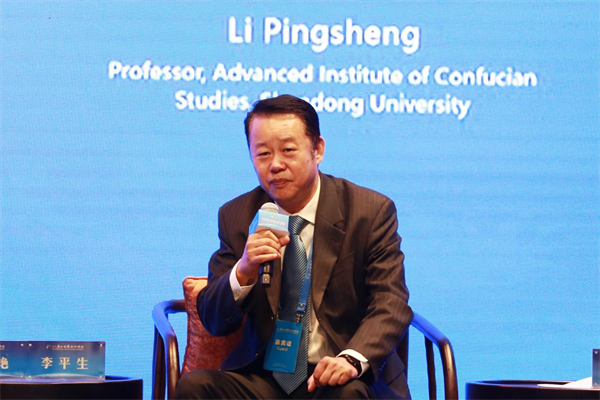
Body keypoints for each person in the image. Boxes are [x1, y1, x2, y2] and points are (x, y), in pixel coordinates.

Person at [176, 94, 413, 400]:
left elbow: (390, 302)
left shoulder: (368, 212)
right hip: (266, 378)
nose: (275, 165)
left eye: (288, 150)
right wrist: (243, 270)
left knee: (347, 395)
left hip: (341, 375)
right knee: (195, 387)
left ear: (318, 150)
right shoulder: (237, 216)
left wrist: (352, 359)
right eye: (263, 154)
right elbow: (214, 321)